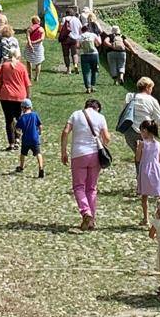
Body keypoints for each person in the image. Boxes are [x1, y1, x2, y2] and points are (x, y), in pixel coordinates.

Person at [61, 98, 111, 231]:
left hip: (78, 154)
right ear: (97, 108)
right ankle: (91, 220)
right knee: (92, 188)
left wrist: (64, 152)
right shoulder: (100, 117)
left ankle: (85, 212)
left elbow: (66, 131)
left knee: (78, 186)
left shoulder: (76, 114)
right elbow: (107, 138)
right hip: (94, 154)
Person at [122, 78, 160, 164]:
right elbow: (159, 118)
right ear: (147, 87)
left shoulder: (130, 96)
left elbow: (124, 111)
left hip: (130, 130)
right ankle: (146, 174)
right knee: (147, 157)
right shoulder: (152, 100)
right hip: (146, 131)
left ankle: (139, 175)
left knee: (138, 154)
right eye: (151, 88)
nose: (151, 90)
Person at [0, 51, 31, 150]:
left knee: (8, 120)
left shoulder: (4, 66)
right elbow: (27, 83)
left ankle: (11, 143)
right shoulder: (22, 67)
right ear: (18, 56)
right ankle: (18, 139)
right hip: (20, 95)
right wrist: (28, 97)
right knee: (19, 118)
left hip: (6, 95)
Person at [136, 120, 160, 226]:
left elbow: (137, 158)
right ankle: (159, 215)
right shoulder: (158, 144)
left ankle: (146, 218)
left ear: (145, 131)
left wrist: (138, 149)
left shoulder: (142, 144)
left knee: (144, 196)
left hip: (145, 170)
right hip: (156, 170)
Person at [15, 98, 45, 178]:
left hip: (26, 140)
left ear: (23, 108)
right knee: (38, 153)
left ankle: (21, 166)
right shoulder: (35, 115)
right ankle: (41, 167)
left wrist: (19, 134)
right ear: (30, 107)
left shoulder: (22, 118)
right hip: (35, 139)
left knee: (23, 154)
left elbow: (17, 129)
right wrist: (39, 133)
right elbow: (40, 126)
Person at [58, 7, 83, 74]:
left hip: (65, 39)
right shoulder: (77, 19)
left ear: (66, 13)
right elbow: (81, 30)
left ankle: (68, 69)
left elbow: (60, 29)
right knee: (74, 53)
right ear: (73, 13)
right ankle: (75, 65)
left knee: (66, 54)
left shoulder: (64, 19)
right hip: (74, 39)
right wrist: (79, 38)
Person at [79, 23, 101, 93]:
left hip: (84, 55)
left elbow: (77, 46)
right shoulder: (93, 35)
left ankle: (88, 87)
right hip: (94, 54)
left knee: (86, 72)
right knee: (94, 70)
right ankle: (92, 86)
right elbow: (99, 43)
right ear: (89, 29)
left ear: (82, 30)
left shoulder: (80, 36)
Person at [24, 16, 45, 82]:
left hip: (29, 47)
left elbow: (28, 35)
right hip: (38, 47)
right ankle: (37, 77)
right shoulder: (41, 29)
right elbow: (41, 39)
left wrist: (30, 43)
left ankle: (29, 75)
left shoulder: (30, 28)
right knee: (38, 62)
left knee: (28, 60)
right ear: (39, 21)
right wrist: (34, 42)